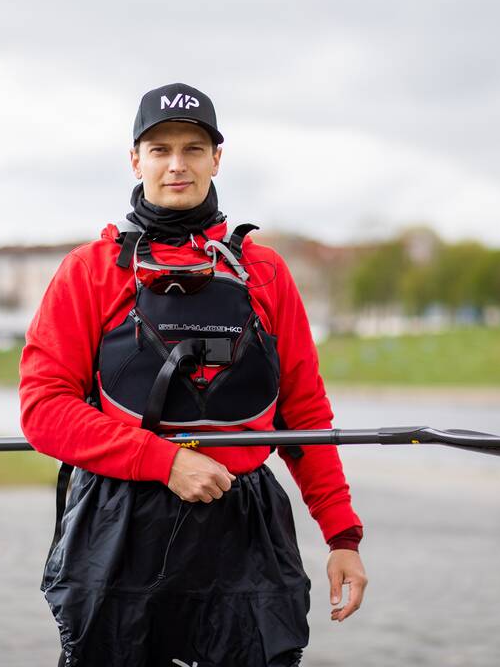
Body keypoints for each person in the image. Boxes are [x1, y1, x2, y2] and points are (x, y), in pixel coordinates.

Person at [19, 83, 367, 666]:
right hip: (119, 524)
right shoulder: (89, 271)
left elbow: (304, 415)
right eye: (159, 150)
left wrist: (342, 536)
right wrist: (165, 461)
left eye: (192, 148)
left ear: (216, 158)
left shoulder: (265, 272)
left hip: (244, 528)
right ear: (136, 159)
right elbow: (44, 410)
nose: (176, 164)